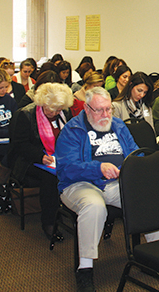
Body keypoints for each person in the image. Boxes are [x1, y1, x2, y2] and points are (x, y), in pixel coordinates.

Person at [55, 87, 139, 292]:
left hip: (116, 182)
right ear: (86, 108)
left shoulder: (118, 125)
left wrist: (139, 167)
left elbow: (135, 152)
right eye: (99, 110)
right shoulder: (73, 130)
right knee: (94, 207)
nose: (106, 115)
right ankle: (85, 269)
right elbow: (67, 168)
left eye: (109, 109)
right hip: (80, 184)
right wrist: (98, 168)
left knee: (143, 197)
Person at [9, 83, 73, 240]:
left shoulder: (64, 112)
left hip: (57, 159)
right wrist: (39, 156)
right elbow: (19, 145)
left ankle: (73, 213)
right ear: (43, 102)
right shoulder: (25, 115)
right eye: (52, 109)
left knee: (77, 170)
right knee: (51, 178)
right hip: (29, 162)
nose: (56, 113)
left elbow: (71, 136)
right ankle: (49, 222)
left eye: (59, 109)